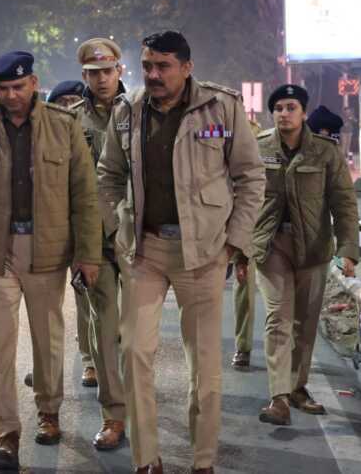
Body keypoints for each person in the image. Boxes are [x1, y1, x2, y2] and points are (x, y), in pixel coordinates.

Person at [98, 31, 265, 474]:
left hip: (204, 253)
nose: (153, 74)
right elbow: (107, 175)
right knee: (135, 352)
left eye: (163, 66)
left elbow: (251, 177)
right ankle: (146, 460)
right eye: (147, 66)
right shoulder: (128, 110)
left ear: (187, 67)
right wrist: (117, 228)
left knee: (205, 365)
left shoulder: (221, 107)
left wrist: (234, 242)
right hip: (145, 251)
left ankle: (202, 461)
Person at [0, 50, 101, 471]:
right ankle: (5, 433)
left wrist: (88, 253)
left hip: (47, 249)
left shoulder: (64, 126)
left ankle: (48, 412)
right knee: (0, 346)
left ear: (33, 83)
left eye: (18, 86)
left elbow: (85, 195)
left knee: (48, 339)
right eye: (2, 89)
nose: (11, 95)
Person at [250, 84, 359, 427]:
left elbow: (344, 203)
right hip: (270, 245)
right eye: (278, 108)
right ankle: (279, 397)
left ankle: (297, 387)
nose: (284, 113)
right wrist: (237, 247)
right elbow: (241, 195)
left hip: (313, 247)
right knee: (278, 318)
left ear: (303, 112)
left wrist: (348, 250)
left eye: (291, 107)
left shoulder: (325, 152)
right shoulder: (257, 147)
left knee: (305, 323)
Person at [70, 38, 128, 450]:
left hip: (140, 236)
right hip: (95, 240)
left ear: (119, 71)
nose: (102, 79)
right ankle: (114, 416)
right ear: (84, 76)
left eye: (107, 71)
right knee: (105, 331)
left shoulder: (142, 111)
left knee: (137, 335)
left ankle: (140, 402)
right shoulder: (71, 120)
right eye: (94, 74)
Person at [231, 114, 261, 373]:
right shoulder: (219, 134)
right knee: (244, 290)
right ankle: (243, 347)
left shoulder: (261, 137)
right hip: (235, 222)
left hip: (266, 222)